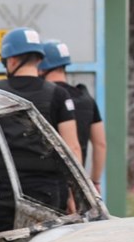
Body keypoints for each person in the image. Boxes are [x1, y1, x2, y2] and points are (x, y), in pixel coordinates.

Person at [0, 27, 82, 233]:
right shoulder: (59, 95)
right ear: (38, 60)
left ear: (11, 61)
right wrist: (74, 195)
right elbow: (72, 148)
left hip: (4, 188)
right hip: (48, 189)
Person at [40, 39, 106, 196]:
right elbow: (100, 144)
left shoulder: (44, 98)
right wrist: (95, 181)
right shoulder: (86, 99)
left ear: (41, 66)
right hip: (78, 185)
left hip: (48, 185)